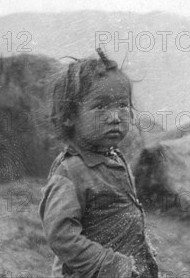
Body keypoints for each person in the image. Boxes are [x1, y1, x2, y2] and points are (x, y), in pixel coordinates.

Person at [39, 49, 158, 278]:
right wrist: (109, 264)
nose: (115, 116)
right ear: (69, 116)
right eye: (101, 107)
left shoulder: (114, 158)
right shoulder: (71, 172)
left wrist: (142, 248)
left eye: (123, 105)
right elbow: (61, 236)